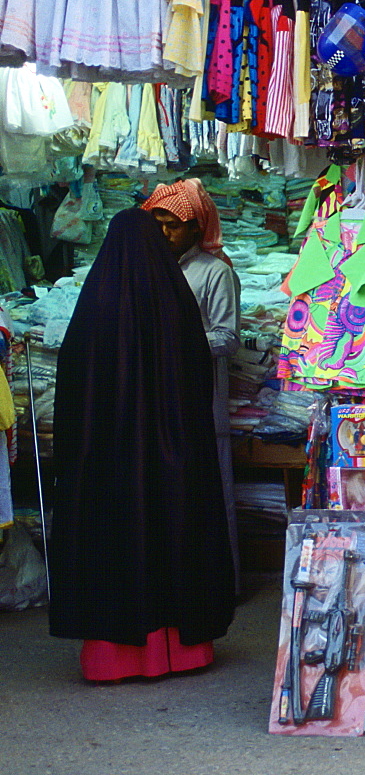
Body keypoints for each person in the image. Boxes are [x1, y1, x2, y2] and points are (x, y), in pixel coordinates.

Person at [49, 209, 235, 680]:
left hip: (110, 460)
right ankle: (181, 652)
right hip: (173, 455)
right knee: (173, 538)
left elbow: (72, 385)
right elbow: (198, 372)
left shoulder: (95, 304)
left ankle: (113, 658)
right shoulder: (174, 300)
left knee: (117, 544)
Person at [143, 178, 241, 589]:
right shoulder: (149, 268)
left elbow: (228, 337)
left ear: (196, 228)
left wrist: (177, 342)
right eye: (159, 223)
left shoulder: (214, 273)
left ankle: (224, 583)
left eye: (174, 225)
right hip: (160, 398)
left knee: (212, 489)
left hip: (203, 397)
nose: (165, 232)